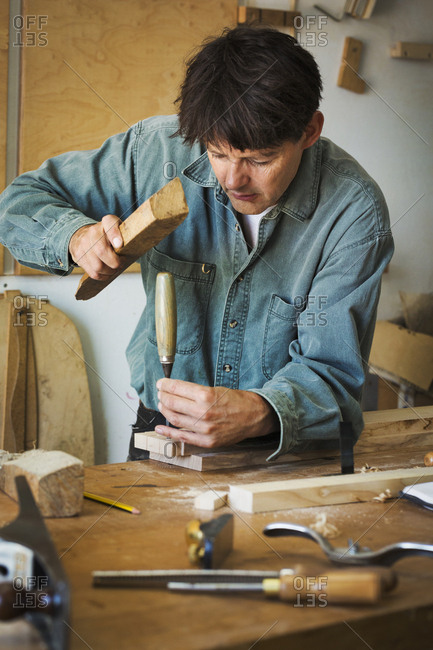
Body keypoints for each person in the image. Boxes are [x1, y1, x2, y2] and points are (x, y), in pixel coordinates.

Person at [0, 25, 393, 461]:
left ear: (309, 131)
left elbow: (334, 374)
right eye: (218, 152)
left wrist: (262, 411)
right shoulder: (154, 151)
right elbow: (18, 203)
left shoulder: (353, 211)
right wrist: (74, 237)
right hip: (163, 430)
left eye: (259, 160)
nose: (232, 179)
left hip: (284, 445)